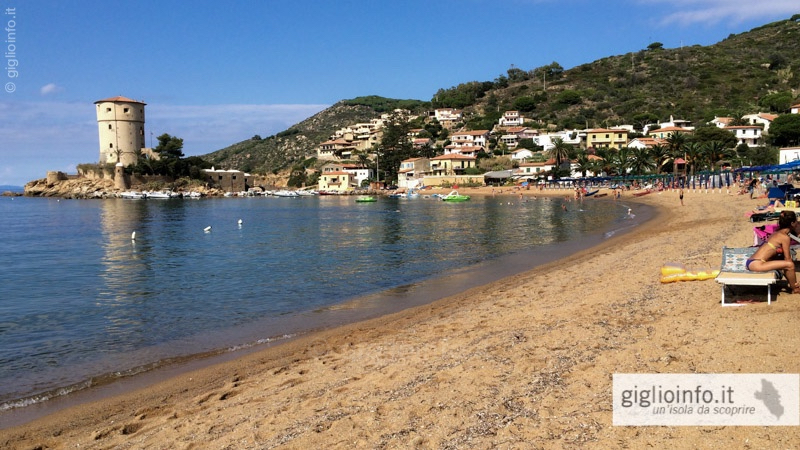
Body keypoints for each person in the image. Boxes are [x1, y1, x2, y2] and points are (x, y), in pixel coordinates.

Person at [746, 211, 800, 294]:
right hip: (757, 263)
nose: (797, 223)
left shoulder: (777, 232)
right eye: (796, 221)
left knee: (783, 261)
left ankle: (793, 285)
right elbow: (788, 259)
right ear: (792, 223)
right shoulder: (784, 237)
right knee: (790, 264)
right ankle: (795, 288)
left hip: (752, 261)